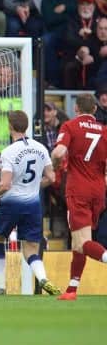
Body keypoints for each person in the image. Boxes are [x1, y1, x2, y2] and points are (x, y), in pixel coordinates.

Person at [0, 110, 61, 295]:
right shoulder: (41, 147)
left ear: (10, 126)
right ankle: (43, 278)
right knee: (30, 249)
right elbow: (52, 177)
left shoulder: (9, 151)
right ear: (26, 126)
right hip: (33, 204)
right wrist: (34, 186)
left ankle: (0, 287)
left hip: (12, 202)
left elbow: (5, 185)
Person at [51, 93, 107, 300]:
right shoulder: (104, 131)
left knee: (82, 242)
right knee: (80, 241)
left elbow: (58, 153)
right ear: (94, 110)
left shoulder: (70, 126)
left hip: (78, 190)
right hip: (98, 191)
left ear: (76, 109)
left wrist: (56, 166)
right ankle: (72, 289)